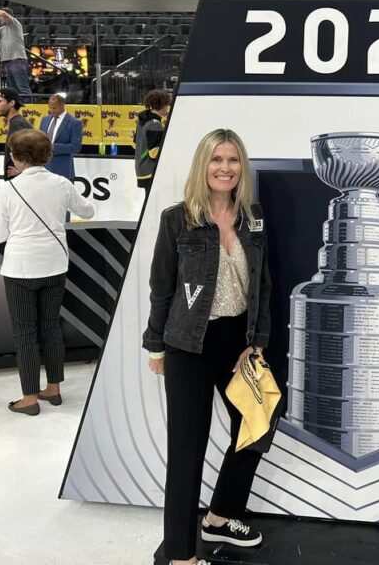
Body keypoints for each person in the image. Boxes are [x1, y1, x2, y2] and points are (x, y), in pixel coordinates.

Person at [143, 129, 272, 565]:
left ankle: (219, 515)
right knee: (187, 449)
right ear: (203, 165)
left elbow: (263, 284)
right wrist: (156, 346)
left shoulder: (253, 216)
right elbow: (161, 288)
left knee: (260, 420)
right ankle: (181, 554)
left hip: (238, 342)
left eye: (233, 160)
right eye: (217, 159)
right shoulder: (177, 219)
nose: (225, 168)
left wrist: (256, 341)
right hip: (188, 344)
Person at [0, 129, 94, 415]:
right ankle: (54, 388)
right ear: (47, 153)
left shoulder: (8, 189)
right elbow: (88, 211)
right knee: (50, 327)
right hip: (55, 264)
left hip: (20, 268)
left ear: (16, 157)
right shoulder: (61, 184)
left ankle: (29, 398)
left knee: (25, 333)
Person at [0, 8, 32, 98]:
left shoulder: (14, 23)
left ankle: (29, 109)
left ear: (7, 16)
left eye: (0, 17)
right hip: (8, 61)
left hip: (17, 60)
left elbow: (2, 13)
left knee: (22, 87)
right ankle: (17, 108)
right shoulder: (4, 28)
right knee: (13, 90)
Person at [135, 88, 172, 199]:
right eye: (167, 104)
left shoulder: (142, 121)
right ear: (162, 105)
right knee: (154, 202)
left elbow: (135, 144)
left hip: (142, 168)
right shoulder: (155, 124)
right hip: (150, 170)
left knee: (150, 200)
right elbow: (154, 152)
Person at [40, 94, 83, 181]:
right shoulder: (45, 120)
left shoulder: (74, 123)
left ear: (63, 105)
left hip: (63, 171)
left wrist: (53, 147)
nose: (51, 110)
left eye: (54, 108)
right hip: (43, 170)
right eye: (50, 107)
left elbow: (76, 147)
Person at [0, 87, 30, 178]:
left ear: (12, 103)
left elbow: (30, 150)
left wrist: (23, 170)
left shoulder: (17, 124)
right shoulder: (17, 122)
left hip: (19, 180)